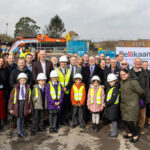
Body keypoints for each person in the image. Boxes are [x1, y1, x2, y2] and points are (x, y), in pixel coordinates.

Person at [120, 69, 144, 143]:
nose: (122, 76)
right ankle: (130, 133)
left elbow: (141, 92)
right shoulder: (122, 82)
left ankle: (135, 135)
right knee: (126, 121)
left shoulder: (133, 82)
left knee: (130, 121)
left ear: (127, 74)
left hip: (132, 105)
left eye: (124, 74)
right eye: (121, 75)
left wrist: (136, 99)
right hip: (124, 105)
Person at [9, 73, 32, 138]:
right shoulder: (15, 88)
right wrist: (11, 108)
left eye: (24, 80)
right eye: (21, 80)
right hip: (18, 104)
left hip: (25, 104)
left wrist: (30, 108)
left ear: (26, 80)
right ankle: (19, 132)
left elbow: (30, 99)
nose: (23, 81)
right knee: (19, 118)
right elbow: (11, 99)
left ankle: (22, 131)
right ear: (19, 81)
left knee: (23, 118)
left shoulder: (28, 88)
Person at [130, 58, 149, 134]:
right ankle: (134, 128)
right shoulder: (130, 72)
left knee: (142, 114)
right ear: (134, 63)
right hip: (133, 96)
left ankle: (141, 128)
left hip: (142, 97)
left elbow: (147, 86)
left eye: (139, 62)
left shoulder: (145, 73)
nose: (138, 63)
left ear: (141, 64)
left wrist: (147, 98)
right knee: (133, 114)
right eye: (136, 62)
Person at [82, 56, 104, 122]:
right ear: (88, 61)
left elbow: (101, 78)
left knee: (96, 103)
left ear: (95, 60)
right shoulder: (84, 68)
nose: (91, 61)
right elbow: (83, 79)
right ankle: (87, 118)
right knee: (88, 102)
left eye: (92, 60)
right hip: (86, 88)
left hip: (96, 89)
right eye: (90, 60)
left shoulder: (99, 69)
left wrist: (100, 86)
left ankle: (96, 120)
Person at [55, 56, 73, 126]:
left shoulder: (69, 70)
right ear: (60, 63)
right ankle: (58, 121)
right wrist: (61, 88)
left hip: (66, 92)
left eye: (65, 62)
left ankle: (64, 121)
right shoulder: (56, 70)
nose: (63, 63)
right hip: (59, 92)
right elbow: (55, 80)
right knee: (59, 108)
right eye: (62, 62)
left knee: (65, 108)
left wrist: (66, 87)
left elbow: (71, 81)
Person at [0, 56, 9, 131]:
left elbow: (7, 80)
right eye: (0, 61)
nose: (1, 63)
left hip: (4, 91)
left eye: (2, 61)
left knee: (4, 105)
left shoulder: (6, 70)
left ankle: (5, 120)